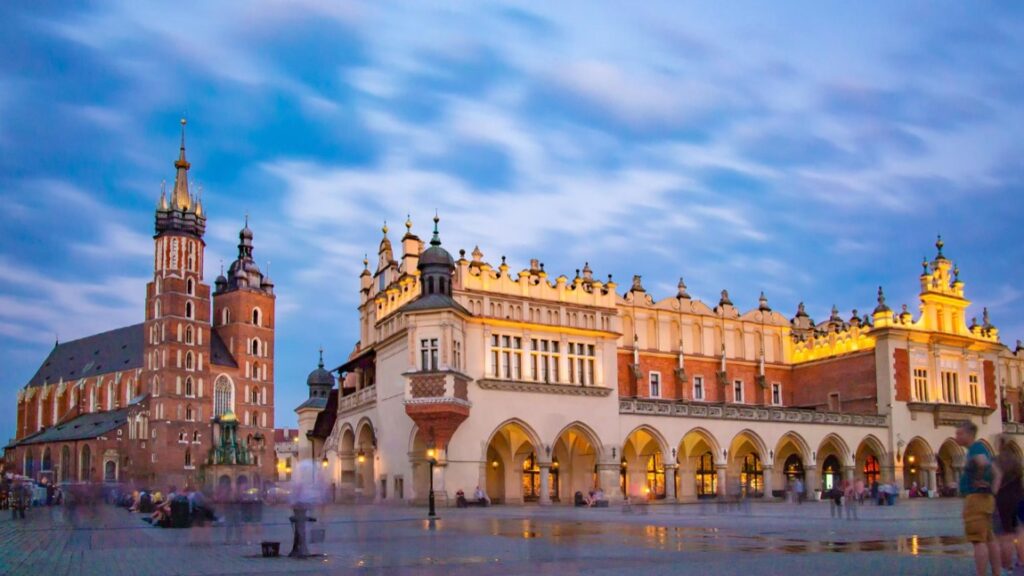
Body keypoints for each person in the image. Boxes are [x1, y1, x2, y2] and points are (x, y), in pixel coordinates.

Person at [956, 420, 1000, 576]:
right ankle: (996, 573)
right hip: (986, 498)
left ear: (969, 434)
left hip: (976, 498)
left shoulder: (975, 448)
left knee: (978, 541)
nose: (956, 437)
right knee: (989, 538)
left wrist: (980, 480)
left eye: (959, 433)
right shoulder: (980, 448)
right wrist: (992, 490)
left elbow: (983, 463)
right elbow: (997, 472)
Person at [993, 434, 1024, 574]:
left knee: (1005, 535)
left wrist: (992, 492)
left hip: (1003, 500)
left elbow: (997, 480)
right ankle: (1022, 561)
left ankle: (1007, 566)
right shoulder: (1017, 461)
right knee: (1020, 531)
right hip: (1019, 498)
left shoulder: (997, 461)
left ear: (998, 445)